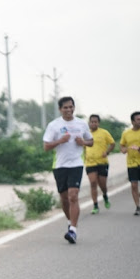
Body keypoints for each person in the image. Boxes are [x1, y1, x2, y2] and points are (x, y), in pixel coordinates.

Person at [43, 96, 93, 244]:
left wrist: (83, 142)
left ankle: (73, 230)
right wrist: (60, 141)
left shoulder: (81, 124)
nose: (69, 110)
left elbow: (91, 141)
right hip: (59, 165)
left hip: (76, 164)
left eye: (71, 107)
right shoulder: (54, 125)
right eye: (66, 107)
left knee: (73, 195)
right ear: (60, 109)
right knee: (64, 199)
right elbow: (46, 147)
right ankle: (70, 221)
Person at [84, 114, 115, 214]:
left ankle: (105, 195)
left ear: (98, 123)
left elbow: (112, 144)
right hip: (90, 162)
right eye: (91, 122)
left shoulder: (104, 132)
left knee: (102, 185)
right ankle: (95, 205)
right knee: (93, 183)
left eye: (95, 122)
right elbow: (82, 147)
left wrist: (107, 152)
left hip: (102, 162)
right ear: (89, 122)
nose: (93, 123)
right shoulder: (85, 134)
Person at [119, 111, 140, 216]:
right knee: (134, 185)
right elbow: (122, 145)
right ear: (132, 121)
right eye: (138, 119)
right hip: (131, 163)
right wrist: (123, 150)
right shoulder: (126, 133)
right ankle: (137, 207)